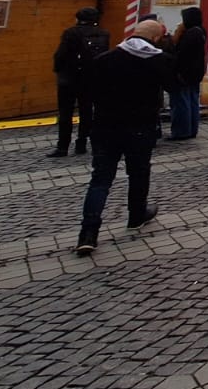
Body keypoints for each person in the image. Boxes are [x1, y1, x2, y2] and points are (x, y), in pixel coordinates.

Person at [75, 19, 178, 255]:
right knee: (139, 172)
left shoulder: (104, 60)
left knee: (100, 180)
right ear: (155, 39)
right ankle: (136, 215)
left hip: (106, 126)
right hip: (140, 125)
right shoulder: (159, 60)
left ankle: (88, 232)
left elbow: (88, 93)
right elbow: (175, 86)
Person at [53, 6, 111, 156]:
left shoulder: (71, 33)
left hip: (70, 78)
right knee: (86, 111)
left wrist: (59, 70)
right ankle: (81, 144)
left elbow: (61, 55)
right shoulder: (104, 33)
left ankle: (63, 146)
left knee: (66, 112)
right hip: (92, 78)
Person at [169, 6, 207, 141]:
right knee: (191, 101)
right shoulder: (200, 31)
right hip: (195, 72)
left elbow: (181, 54)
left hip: (185, 73)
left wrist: (179, 71)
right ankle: (191, 129)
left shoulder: (190, 33)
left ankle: (181, 131)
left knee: (182, 102)